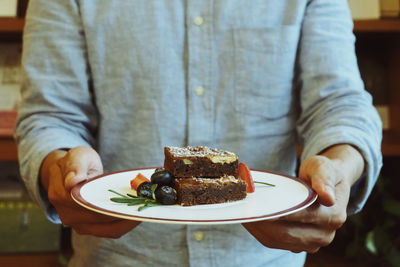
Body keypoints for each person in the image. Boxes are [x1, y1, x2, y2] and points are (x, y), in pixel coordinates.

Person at [15, 0, 382, 266]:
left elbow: (339, 103)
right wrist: (59, 167)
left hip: (264, 259)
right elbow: (49, 116)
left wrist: (339, 166)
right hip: (118, 258)